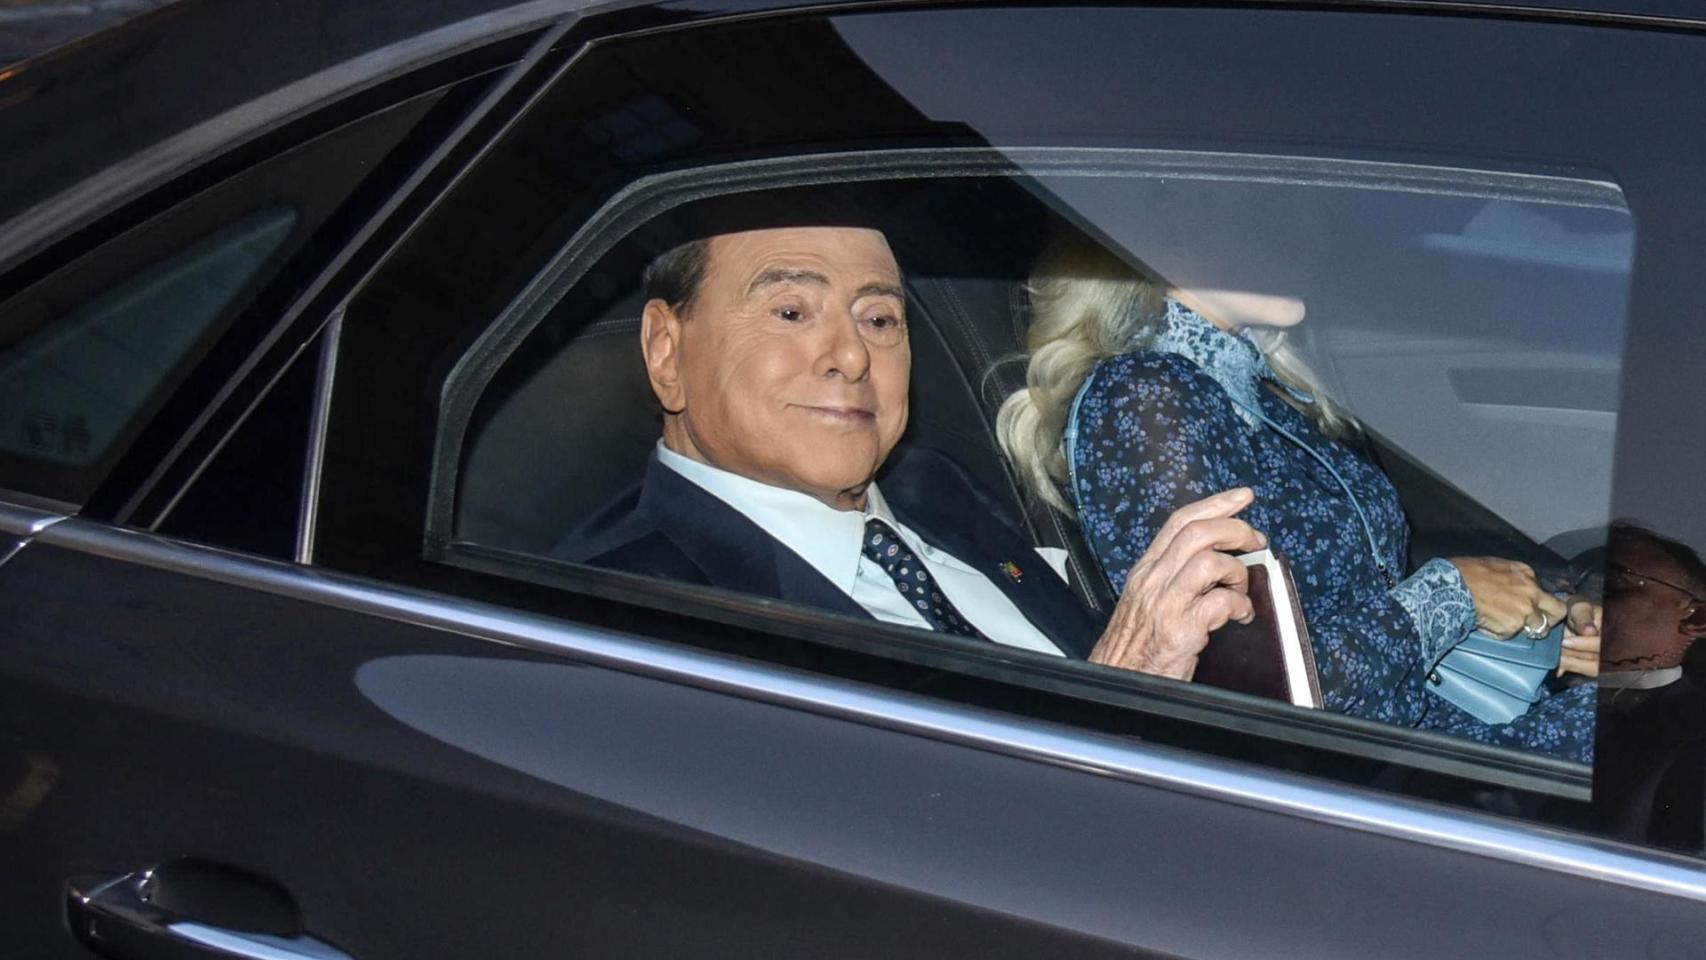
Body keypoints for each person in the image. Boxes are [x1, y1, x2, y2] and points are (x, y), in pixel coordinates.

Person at [557, 221, 1269, 678]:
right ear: (666, 351)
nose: (851, 356)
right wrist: (1124, 691)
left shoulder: (933, 489)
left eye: (879, 319)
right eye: (791, 311)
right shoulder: (622, 625)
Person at [996, 240, 1599, 762]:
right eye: (1265, 212)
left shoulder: (1260, 388)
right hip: (1375, 773)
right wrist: (1452, 595)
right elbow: (1256, 702)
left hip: (1426, 721)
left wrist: (1544, 616)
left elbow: (1359, 593)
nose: (1300, 238)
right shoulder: (1145, 396)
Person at [1586, 523, 1706, 848]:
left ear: (1695, 619)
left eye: (1612, 581)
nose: (1577, 593)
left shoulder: (1692, 743)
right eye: (1576, 575)